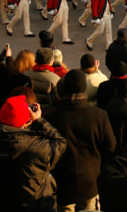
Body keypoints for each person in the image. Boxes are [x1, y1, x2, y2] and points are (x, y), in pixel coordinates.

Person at [47, 69, 117, 212]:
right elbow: (110, 146)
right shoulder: (99, 116)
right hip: (90, 181)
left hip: (63, 182)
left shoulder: (53, 117)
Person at [0, 94, 67, 212]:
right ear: (26, 122)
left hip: (1, 202)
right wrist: (39, 121)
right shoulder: (34, 147)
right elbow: (60, 143)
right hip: (35, 204)